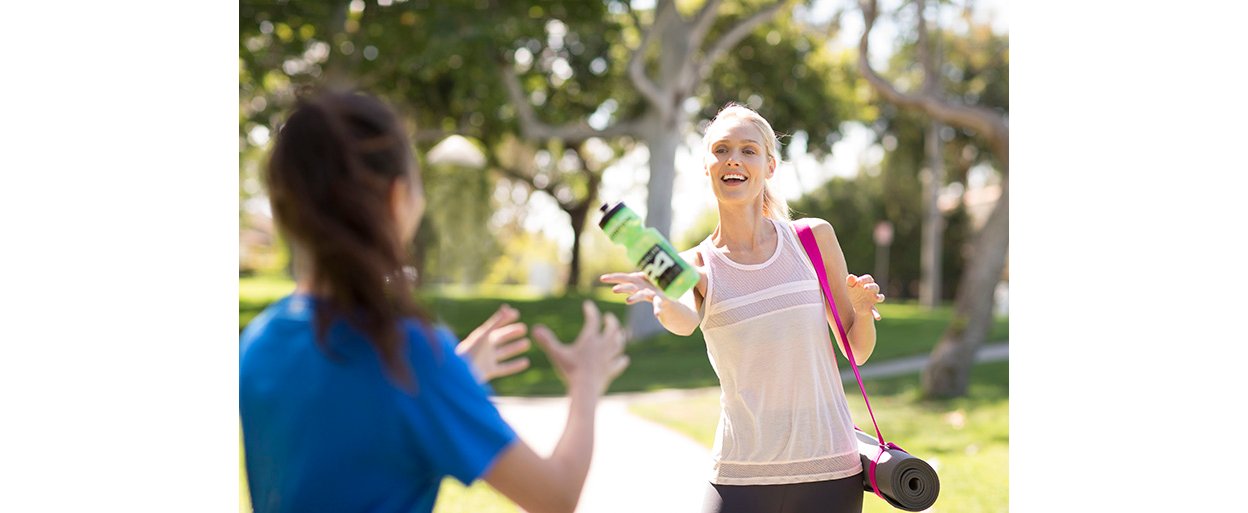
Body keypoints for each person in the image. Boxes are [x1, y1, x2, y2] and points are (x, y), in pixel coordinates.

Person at [240, 90, 629, 513]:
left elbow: (346, 430)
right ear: (396, 198)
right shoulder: (410, 356)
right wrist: (586, 382)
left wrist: (453, 377)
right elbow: (555, 497)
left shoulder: (259, 342)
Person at [601, 103, 885, 513]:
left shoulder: (812, 240)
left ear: (770, 165)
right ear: (707, 166)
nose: (733, 158)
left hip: (831, 471)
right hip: (741, 475)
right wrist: (662, 301)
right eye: (721, 149)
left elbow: (855, 350)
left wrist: (860, 310)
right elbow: (683, 321)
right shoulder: (692, 265)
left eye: (748, 150)